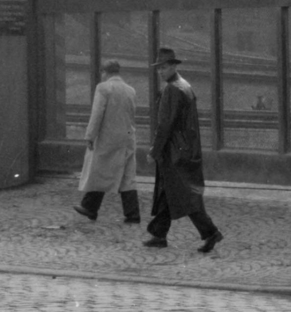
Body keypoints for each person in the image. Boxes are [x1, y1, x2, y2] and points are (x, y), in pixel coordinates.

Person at [145, 47, 223, 253]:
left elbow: (165, 125)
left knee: (186, 196)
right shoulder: (185, 85)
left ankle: (211, 232)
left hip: (174, 153)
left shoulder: (172, 89)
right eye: (159, 68)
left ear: (172, 66)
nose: (161, 71)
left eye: (164, 67)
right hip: (185, 149)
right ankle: (159, 234)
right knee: (167, 192)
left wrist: (154, 151)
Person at [74, 59, 139, 224]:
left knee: (98, 172)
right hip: (127, 138)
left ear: (105, 72)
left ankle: (89, 207)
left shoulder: (103, 88)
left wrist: (90, 136)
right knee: (127, 176)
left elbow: (97, 114)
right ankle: (132, 214)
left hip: (107, 139)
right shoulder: (130, 90)